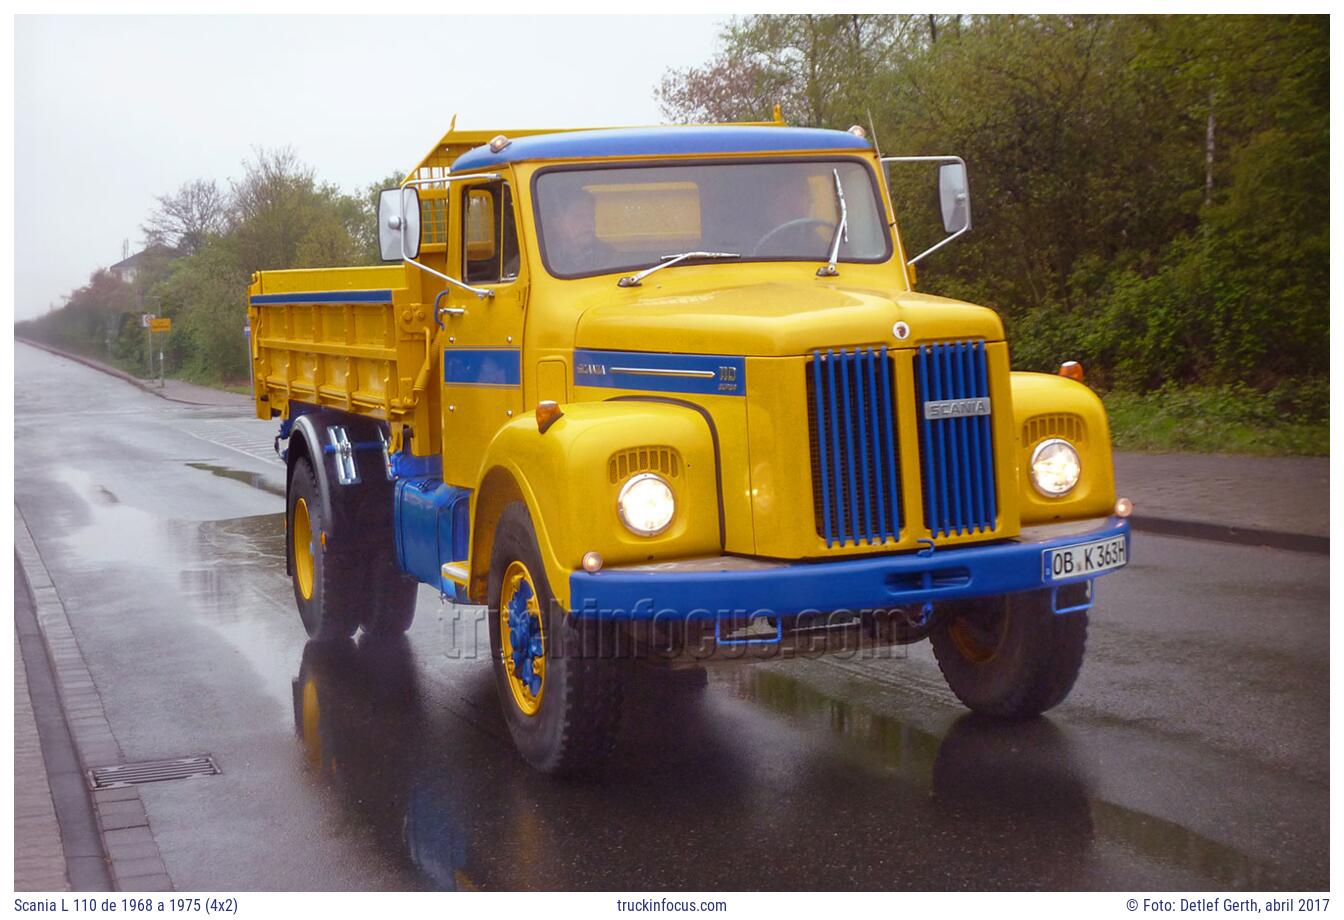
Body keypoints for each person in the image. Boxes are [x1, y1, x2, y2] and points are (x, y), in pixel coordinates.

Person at [545, 189, 615, 274]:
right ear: (558, 224)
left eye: (591, 216)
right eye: (579, 217)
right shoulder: (546, 259)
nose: (589, 223)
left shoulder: (607, 255)